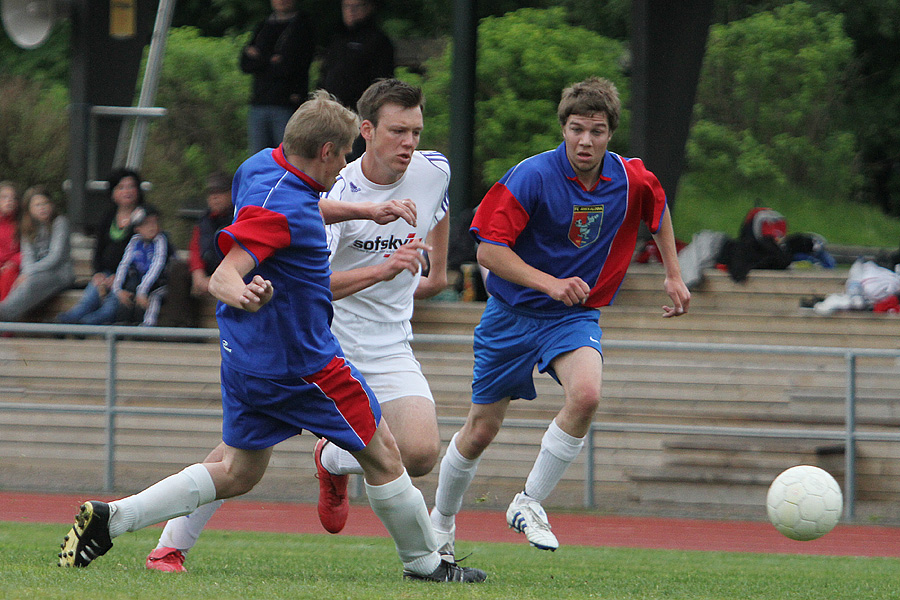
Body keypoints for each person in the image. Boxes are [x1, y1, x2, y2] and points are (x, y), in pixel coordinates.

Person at [58, 90, 486, 584]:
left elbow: (303, 209)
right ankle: (426, 563)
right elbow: (225, 273)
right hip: (304, 363)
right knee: (384, 454)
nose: (346, 162)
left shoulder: (263, 165)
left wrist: (367, 213)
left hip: (245, 358)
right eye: (343, 152)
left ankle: (114, 518)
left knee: (239, 471)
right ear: (326, 151)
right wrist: (243, 292)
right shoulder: (280, 211)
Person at [144, 78, 450, 572]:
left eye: (416, 130)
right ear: (365, 133)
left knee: (418, 453)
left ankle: (332, 461)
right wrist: (385, 266)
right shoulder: (332, 182)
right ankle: (169, 543)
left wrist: (430, 266)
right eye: (398, 131)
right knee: (238, 459)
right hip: (328, 339)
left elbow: (436, 226)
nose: (410, 142)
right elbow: (314, 286)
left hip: (391, 341)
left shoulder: (435, 171)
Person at [428, 77, 691, 557]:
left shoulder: (628, 177)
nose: (586, 141)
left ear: (611, 133)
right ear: (563, 129)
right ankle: (440, 525)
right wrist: (550, 283)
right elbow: (489, 251)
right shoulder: (531, 176)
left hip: (572, 317)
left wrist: (673, 274)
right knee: (481, 430)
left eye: (596, 131)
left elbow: (658, 208)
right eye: (576, 130)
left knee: (587, 394)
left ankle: (528, 502)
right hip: (510, 315)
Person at [57, 169, 144, 324]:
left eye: (131, 186)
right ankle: (65, 322)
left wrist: (118, 277)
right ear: (113, 193)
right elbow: (98, 251)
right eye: (121, 187)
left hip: (130, 277)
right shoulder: (107, 217)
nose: (127, 191)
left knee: (110, 308)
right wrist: (98, 273)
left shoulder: (144, 218)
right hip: (105, 274)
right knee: (88, 301)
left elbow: (141, 255)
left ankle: (85, 325)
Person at [71, 205, 171, 326]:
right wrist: (118, 290)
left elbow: (157, 266)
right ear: (137, 228)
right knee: (126, 294)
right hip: (140, 283)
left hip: (159, 284)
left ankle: (147, 326)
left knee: (153, 297)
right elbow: (124, 264)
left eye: (155, 222)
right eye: (147, 224)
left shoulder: (161, 240)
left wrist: (142, 291)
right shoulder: (135, 241)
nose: (152, 227)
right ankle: (122, 324)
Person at [318, 0, 394, 158]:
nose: (351, 11)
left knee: (352, 161)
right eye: (346, 6)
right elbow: (326, 71)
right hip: (331, 113)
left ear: (369, 7)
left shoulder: (378, 40)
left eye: (356, 6)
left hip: (357, 117)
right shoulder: (337, 37)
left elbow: (382, 84)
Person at [157, 171, 234, 328]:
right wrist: (198, 274)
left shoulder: (238, 217)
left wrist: (215, 278)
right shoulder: (204, 220)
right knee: (178, 269)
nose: (214, 197)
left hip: (232, 272)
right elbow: (196, 248)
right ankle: (180, 327)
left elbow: (240, 253)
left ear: (232, 194)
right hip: (207, 272)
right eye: (211, 194)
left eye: (220, 193)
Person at [241, 0, 316, 154]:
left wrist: (261, 58)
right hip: (259, 102)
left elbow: (290, 66)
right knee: (258, 161)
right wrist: (271, 60)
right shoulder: (264, 25)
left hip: (286, 103)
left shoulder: (302, 26)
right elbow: (245, 63)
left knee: (288, 158)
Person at [0, 186, 74, 321]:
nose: (43, 208)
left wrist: (29, 273)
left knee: (30, 282)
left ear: (51, 205)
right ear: (29, 209)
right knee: (21, 281)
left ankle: (5, 314)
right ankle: (6, 314)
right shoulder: (27, 227)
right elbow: (27, 256)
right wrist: (27, 273)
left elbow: (55, 258)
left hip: (59, 273)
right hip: (36, 274)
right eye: (38, 205)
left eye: (45, 203)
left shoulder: (60, 222)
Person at [0, 181, 20, 301]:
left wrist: (13, 261)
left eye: (13, 198)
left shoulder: (20, 223)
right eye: (4, 197)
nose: (9, 201)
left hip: (12, 266)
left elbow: (26, 248)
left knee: (9, 274)